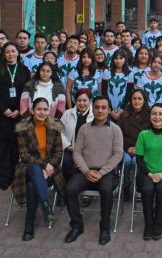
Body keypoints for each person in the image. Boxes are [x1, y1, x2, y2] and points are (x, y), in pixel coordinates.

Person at [64, 96, 124, 246]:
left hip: (106, 172)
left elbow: (118, 154)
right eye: (97, 107)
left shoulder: (115, 129)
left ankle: (104, 227)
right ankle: (77, 225)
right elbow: (77, 152)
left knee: (106, 189)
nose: (99, 110)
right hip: (85, 171)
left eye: (103, 107)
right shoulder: (84, 129)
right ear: (93, 108)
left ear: (109, 110)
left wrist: (102, 172)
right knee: (70, 189)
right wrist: (85, 171)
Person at [12, 97, 65, 241]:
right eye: (39, 109)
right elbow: (24, 155)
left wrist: (50, 166)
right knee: (35, 169)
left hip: (49, 172)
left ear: (49, 110)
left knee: (31, 186)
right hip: (27, 169)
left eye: (45, 109)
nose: (42, 112)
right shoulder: (24, 128)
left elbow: (59, 152)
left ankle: (29, 225)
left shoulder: (54, 128)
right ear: (32, 110)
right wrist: (44, 166)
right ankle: (45, 204)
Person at [0, 42, 32, 189]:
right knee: (0, 149)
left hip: (17, 115)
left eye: (13, 51)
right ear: (3, 54)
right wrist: (3, 109)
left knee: (14, 147)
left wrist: (19, 109)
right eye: (7, 52)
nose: (10, 54)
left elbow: (27, 92)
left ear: (18, 53)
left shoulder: (24, 70)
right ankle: (2, 180)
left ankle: (14, 177)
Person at [135, 103, 162, 240]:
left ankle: (158, 222)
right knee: (147, 189)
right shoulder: (143, 134)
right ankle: (149, 223)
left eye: (160, 114)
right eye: (154, 114)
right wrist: (149, 173)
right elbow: (139, 159)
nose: (157, 117)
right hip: (146, 173)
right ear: (150, 116)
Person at [117, 88, 151, 200]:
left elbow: (151, 136)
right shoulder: (123, 116)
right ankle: (126, 186)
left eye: (139, 99)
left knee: (137, 162)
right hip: (126, 148)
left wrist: (139, 149)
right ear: (130, 101)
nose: (137, 101)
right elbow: (118, 135)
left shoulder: (150, 116)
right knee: (127, 162)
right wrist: (127, 148)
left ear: (144, 101)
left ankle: (139, 186)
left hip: (143, 150)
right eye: (134, 99)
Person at [59, 89, 94, 182]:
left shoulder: (95, 115)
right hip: (70, 150)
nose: (82, 103)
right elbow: (59, 132)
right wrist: (69, 146)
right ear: (75, 101)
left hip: (88, 152)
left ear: (90, 101)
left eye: (85, 100)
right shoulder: (67, 114)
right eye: (79, 100)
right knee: (65, 162)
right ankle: (66, 188)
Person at [106, 49, 134, 120]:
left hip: (123, 110)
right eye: (116, 58)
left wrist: (122, 109)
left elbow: (129, 93)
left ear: (125, 59)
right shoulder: (107, 72)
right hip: (108, 109)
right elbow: (104, 91)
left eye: (121, 58)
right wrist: (110, 110)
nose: (118, 61)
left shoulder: (130, 73)